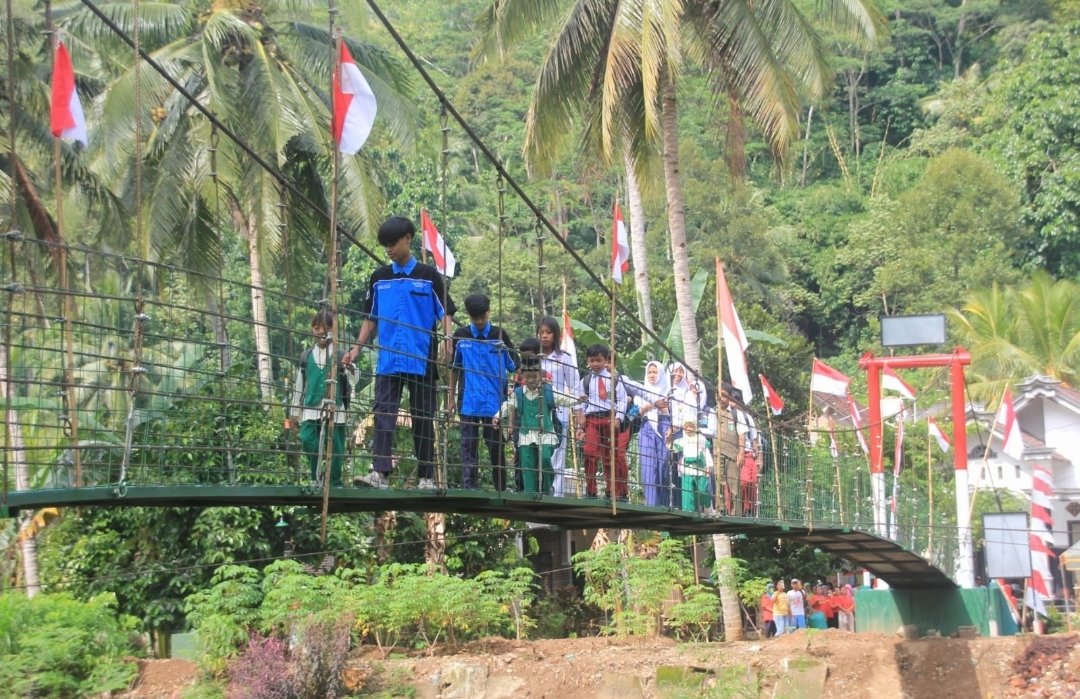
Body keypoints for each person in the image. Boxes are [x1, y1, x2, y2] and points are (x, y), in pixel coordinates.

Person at [345, 216, 456, 490]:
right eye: (385, 245)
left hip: (421, 358)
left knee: (422, 417)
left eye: (393, 243)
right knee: (383, 413)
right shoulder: (379, 278)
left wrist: (447, 339)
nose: (389, 249)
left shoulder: (429, 277)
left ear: (408, 238)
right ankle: (379, 473)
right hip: (388, 358)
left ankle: (426, 477)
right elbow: (370, 318)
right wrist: (357, 348)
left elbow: (446, 313)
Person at [448, 293, 515, 491]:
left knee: (496, 447)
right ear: (469, 315)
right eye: (474, 317)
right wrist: (450, 398)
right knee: (468, 445)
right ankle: (469, 487)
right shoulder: (460, 336)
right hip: (468, 401)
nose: (478, 322)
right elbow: (454, 368)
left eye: (482, 317)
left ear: (488, 312)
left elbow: (514, 366)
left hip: (494, 403)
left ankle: (501, 489)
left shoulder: (499, 336)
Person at [288, 309, 358, 488]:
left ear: (332, 330)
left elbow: (354, 377)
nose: (321, 331)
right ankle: (315, 477)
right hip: (311, 408)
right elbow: (299, 386)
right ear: (312, 329)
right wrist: (295, 411)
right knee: (307, 440)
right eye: (317, 327)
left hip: (336, 407)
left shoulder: (341, 355)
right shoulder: (306, 356)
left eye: (326, 328)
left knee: (336, 445)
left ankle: (334, 482)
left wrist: (349, 367)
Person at [497, 356, 578, 494]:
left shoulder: (548, 391)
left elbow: (563, 398)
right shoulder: (518, 393)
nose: (531, 380)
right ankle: (530, 492)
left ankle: (547, 490)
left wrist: (577, 400)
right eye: (527, 377)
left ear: (540, 375)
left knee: (545, 459)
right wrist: (497, 416)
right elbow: (508, 405)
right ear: (522, 376)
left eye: (534, 377)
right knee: (527, 464)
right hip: (526, 435)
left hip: (545, 433)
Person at [575, 344, 627, 499]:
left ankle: (612, 490)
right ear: (588, 361)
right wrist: (580, 418)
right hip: (592, 420)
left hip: (609, 419)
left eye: (599, 360)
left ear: (606, 361)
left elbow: (623, 400)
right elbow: (579, 400)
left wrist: (618, 418)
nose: (595, 364)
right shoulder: (585, 380)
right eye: (592, 360)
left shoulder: (614, 380)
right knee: (589, 453)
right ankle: (591, 490)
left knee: (610, 456)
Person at [537, 317, 580, 497]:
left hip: (558, 413)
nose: (545, 336)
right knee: (538, 454)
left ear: (555, 335)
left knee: (557, 456)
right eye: (541, 333)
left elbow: (575, 386)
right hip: (537, 412)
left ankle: (557, 496)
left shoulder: (564, 358)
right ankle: (541, 490)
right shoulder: (533, 357)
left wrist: (579, 416)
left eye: (548, 332)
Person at [636, 361, 671, 507]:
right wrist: (654, 404)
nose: (652, 375)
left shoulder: (669, 391)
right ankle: (651, 505)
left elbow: (671, 411)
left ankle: (662, 504)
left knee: (662, 467)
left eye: (655, 372)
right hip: (646, 427)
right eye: (649, 372)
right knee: (648, 467)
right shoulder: (642, 391)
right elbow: (638, 412)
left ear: (661, 374)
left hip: (664, 427)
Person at [717, 384, 749, 515]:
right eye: (718, 394)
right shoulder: (713, 412)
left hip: (732, 454)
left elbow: (742, 434)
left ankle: (737, 514)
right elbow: (709, 431)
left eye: (724, 395)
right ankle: (720, 511)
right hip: (717, 453)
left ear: (729, 396)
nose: (720, 398)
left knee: (734, 484)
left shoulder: (737, 414)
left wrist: (741, 453)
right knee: (717, 482)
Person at [669, 419, 714, 512]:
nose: (689, 429)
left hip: (700, 468)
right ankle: (688, 511)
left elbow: (706, 452)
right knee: (687, 491)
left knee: (703, 490)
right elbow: (673, 448)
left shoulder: (701, 439)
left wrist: (709, 465)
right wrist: (669, 438)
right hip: (687, 469)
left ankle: (707, 507)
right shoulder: (682, 440)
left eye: (691, 426)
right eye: (686, 427)